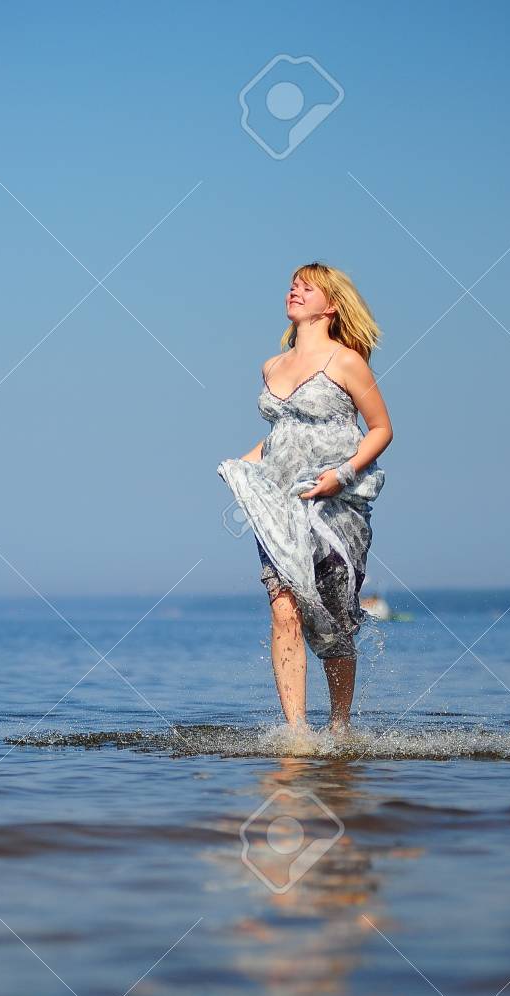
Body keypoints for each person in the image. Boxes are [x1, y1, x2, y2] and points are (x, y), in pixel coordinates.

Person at [218, 262, 394, 733]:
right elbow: (283, 434)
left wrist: (341, 475)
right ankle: (297, 732)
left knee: (334, 621)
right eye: (293, 285)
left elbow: (381, 429)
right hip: (280, 502)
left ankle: (339, 727)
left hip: (337, 503)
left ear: (331, 305)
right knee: (283, 608)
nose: (294, 291)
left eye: (307, 287)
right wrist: (240, 466)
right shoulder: (271, 366)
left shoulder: (346, 361)